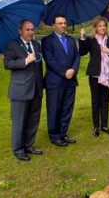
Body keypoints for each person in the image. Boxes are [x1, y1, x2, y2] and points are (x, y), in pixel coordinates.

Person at [3, 20, 43, 161]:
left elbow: (39, 67)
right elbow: (7, 64)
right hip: (20, 90)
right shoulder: (12, 45)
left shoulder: (37, 45)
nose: (31, 32)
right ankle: (18, 149)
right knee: (19, 121)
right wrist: (25, 61)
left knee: (33, 119)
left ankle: (29, 145)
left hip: (36, 89)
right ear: (20, 30)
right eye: (27, 30)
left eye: (32, 29)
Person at [42, 14, 80, 146]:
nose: (63, 25)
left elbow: (77, 57)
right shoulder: (47, 41)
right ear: (53, 25)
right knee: (54, 109)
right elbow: (50, 60)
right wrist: (64, 72)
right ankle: (54, 135)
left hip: (70, 80)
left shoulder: (70, 39)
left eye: (64, 23)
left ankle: (63, 133)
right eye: (60, 23)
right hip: (55, 81)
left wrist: (73, 70)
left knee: (67, 109)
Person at [79, 17, 109, 137]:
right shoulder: (91, 40)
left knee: (105, 100)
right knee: (95, 101)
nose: (102, 28)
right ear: (95, 28)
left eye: (104, 26)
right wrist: (82, 37)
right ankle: (96, 127)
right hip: (95, 74)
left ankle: (104, 125)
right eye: (100, 26)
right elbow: (82, 52)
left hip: (108, 74)